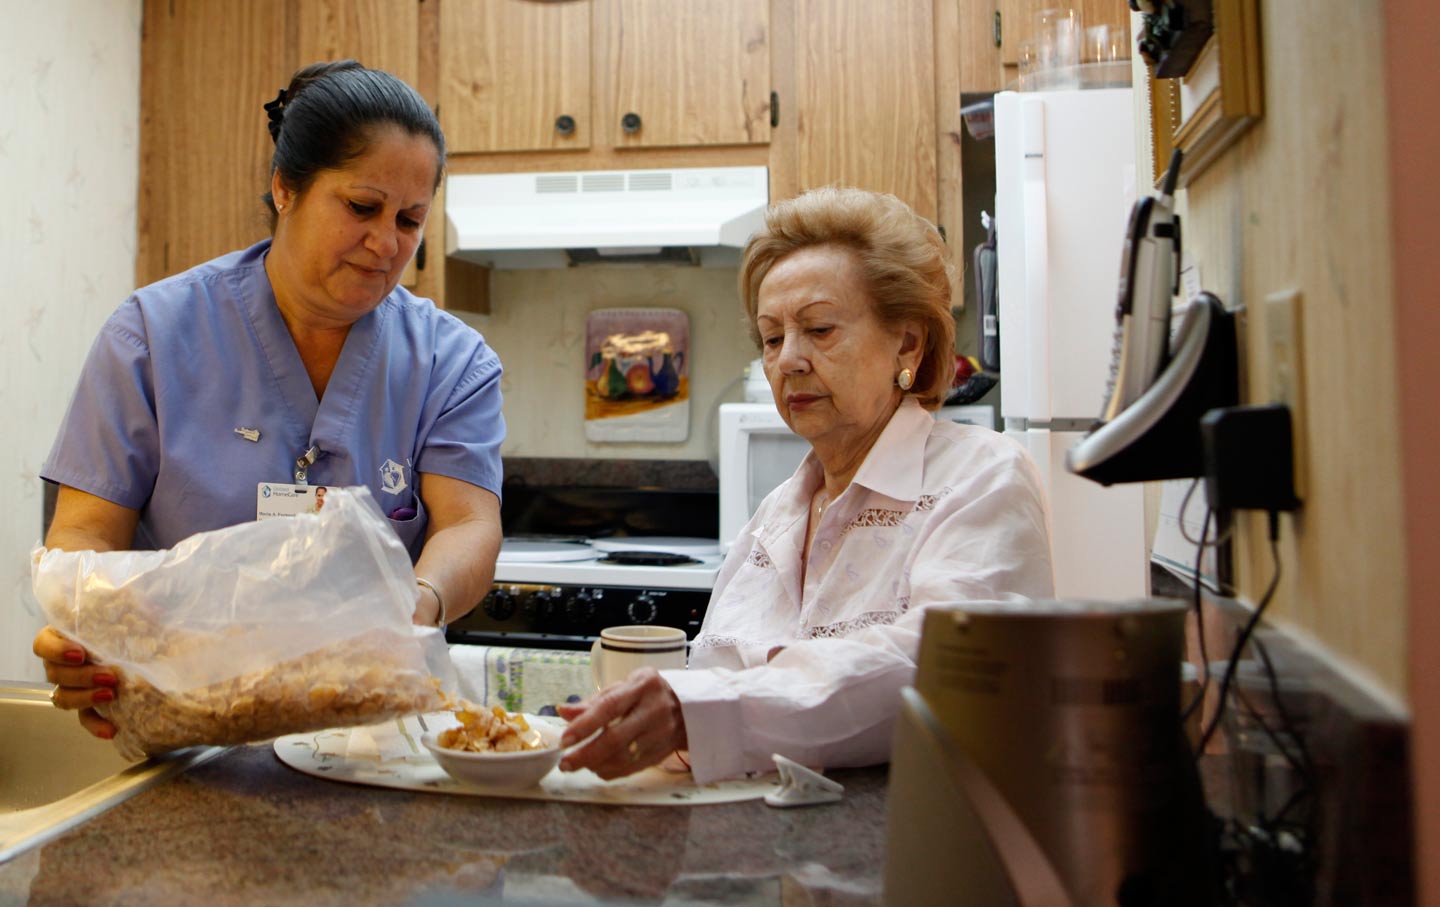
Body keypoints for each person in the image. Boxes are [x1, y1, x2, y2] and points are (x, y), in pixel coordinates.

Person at [33, 61, 505, 741]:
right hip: (186, 740)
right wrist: (82, 632)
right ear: (285, 188)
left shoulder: (451, 364)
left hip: (372, 741)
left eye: (410, 219)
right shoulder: (151, 338)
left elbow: (468, 526)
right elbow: (81, 538)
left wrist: (418, 602)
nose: (385, 243)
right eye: (362, 207)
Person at [557, 187, 1055, 783]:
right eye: (771, 338)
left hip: (898, 852)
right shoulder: (775, 518)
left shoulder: (981, 478)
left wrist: (699, 711)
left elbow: (943, 667)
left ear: (909, 342)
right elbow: (710, 679)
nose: (788, 359)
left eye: (819, 329)